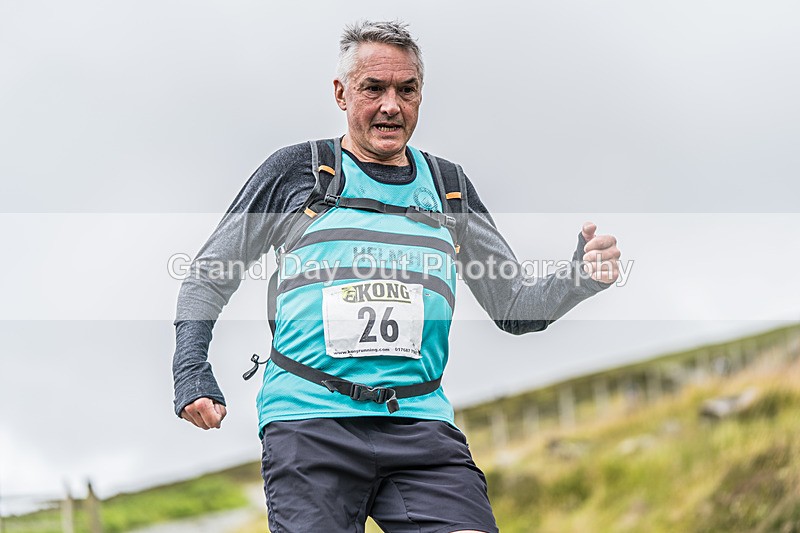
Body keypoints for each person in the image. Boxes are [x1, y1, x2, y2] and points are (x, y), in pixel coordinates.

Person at [172, 20, 621, 533]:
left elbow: (513, 306)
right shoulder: (295, 172)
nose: (391, 105)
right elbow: (209, 275)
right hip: (309, 423)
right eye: (374, 89)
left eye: (406, 90)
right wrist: (191, 371)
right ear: (341, 94)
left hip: (419, 428)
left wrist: (578, 278)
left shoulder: (448, 188)